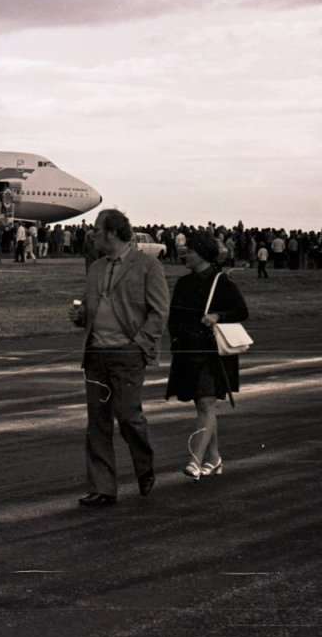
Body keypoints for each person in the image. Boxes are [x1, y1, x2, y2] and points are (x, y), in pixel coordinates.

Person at [68, 209, 168, 507]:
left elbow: (160, 311)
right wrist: (79, 316)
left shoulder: (148, 266)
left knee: (127, 416)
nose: (93, 235)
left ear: (112, 232)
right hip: (96, 353)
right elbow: (90, 308)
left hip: (127, 354)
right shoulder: (96, 268)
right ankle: (103, 487)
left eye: (97, 230)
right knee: (97, 423)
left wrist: (138, 344)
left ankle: (144, 464)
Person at [165, 231, 249, 480]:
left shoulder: (222, 282)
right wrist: (177, 341)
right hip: (188, 352)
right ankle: (214, 459)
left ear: (202, 254)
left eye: (190, 251)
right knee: (203, 406)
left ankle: (195, 460)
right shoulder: (183, 283)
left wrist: (218, 316)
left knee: (205, 404)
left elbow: (241, 311)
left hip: (213, 354)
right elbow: (174, 317)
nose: (185, 254)